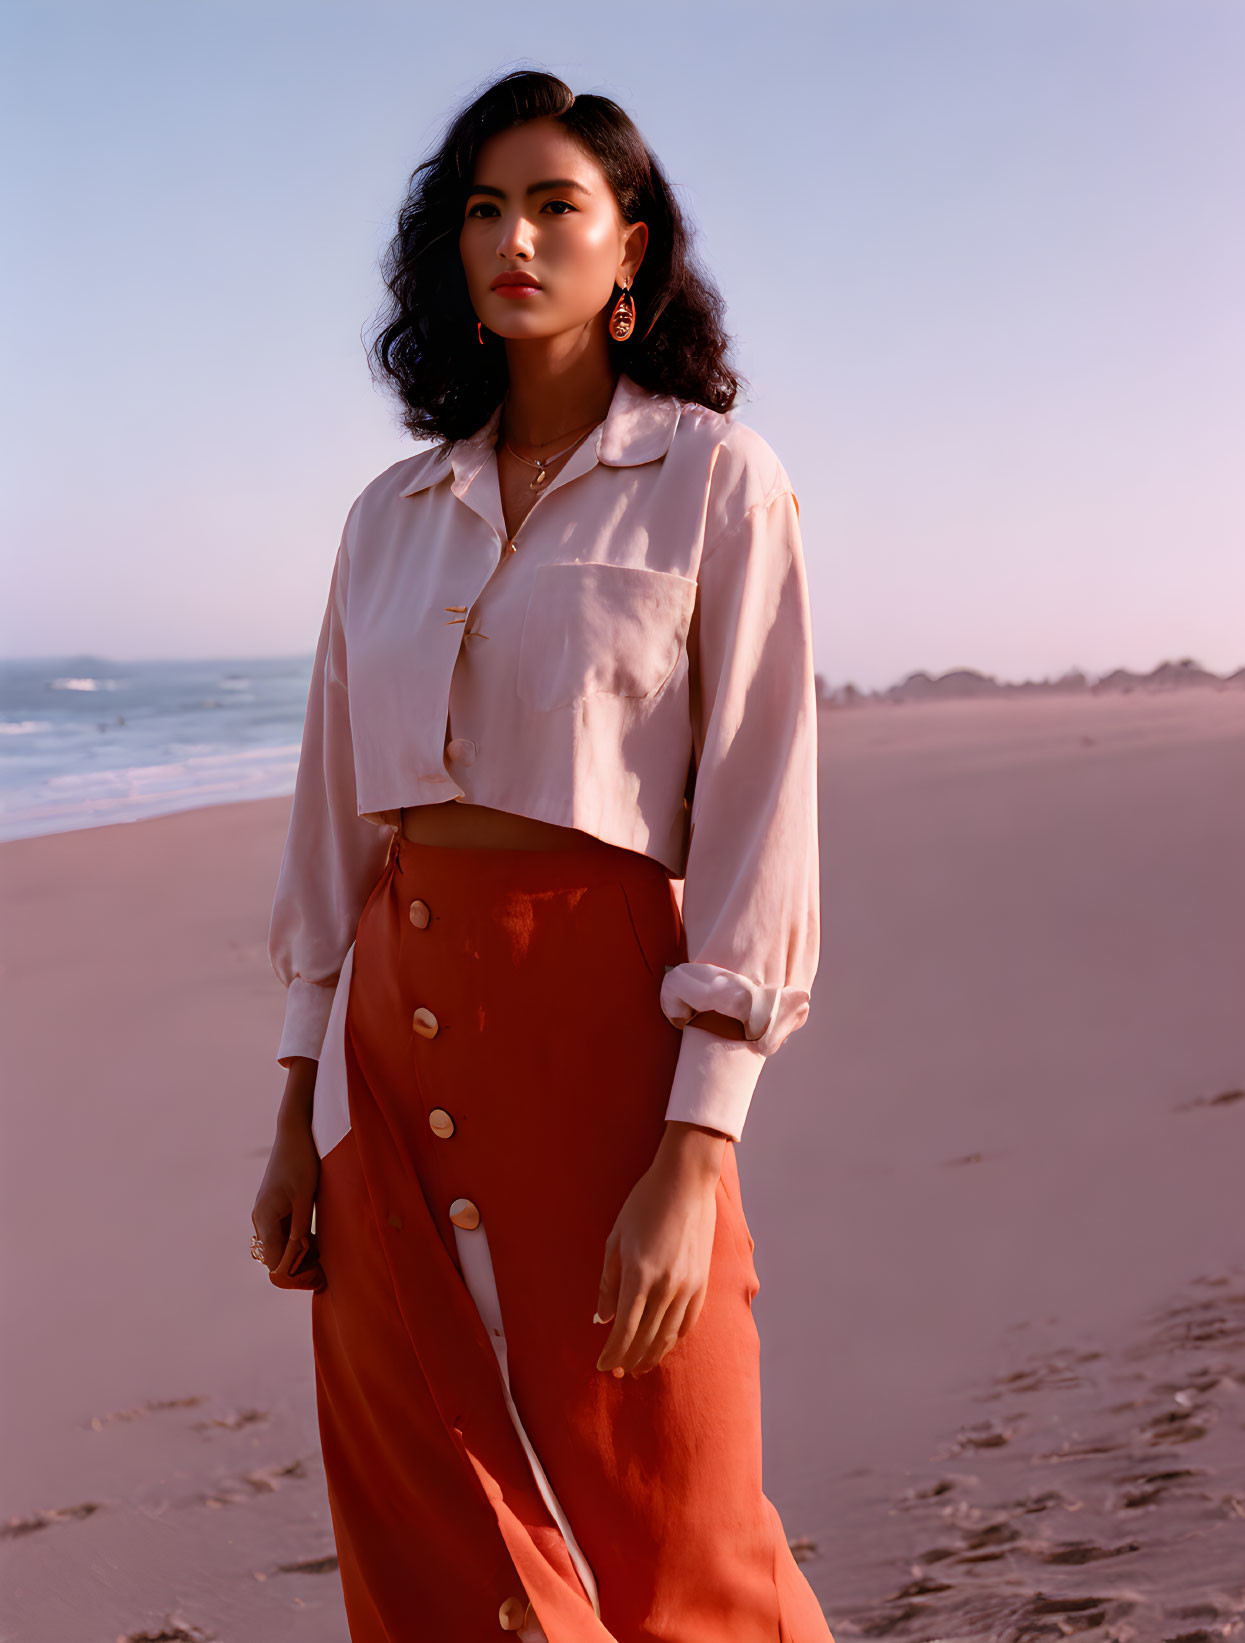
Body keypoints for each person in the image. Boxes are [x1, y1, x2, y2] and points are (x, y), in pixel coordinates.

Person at [250, 67, 827, 1643]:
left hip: (603, 1033)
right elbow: (328, 818)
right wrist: (297, 1105)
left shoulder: (717, 478)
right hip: (387, 1037)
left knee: (679, 1522)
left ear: (628, 245)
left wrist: (697, 1150)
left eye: (554, 204)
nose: (514, 236)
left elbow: (764, 813)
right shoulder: (385, 517)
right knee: (438, 1538)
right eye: (482, 209)